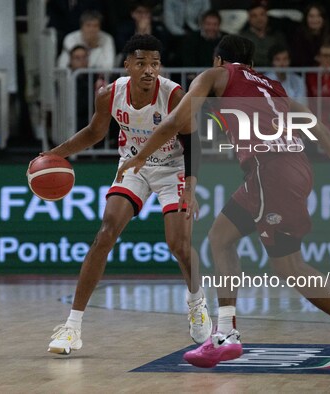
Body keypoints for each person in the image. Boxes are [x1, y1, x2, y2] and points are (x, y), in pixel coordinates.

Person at [117, 35, 330, 368]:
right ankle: (230, 332)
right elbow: (325, 134)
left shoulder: (217, 75)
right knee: (222, 238)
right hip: (294, 168)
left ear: (219, 60)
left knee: (289, 266)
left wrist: (141, 157)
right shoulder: (274, 89)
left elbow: (176, 120)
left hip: (270, 171)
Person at [41, 34, 212, 355]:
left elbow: (193, 141)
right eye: (142, 62)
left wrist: (190, 185)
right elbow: (94, 132)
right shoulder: (109, 94)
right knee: (105, 233)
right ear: (127, 65)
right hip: (134, 165)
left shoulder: (174, 95)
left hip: (174, 167)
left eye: (155, 63)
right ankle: (72, 327)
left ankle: (196, 301)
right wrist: (56, 153)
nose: (149, 69)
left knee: (179, 244)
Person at [290, 2, 330, 67]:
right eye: (311, 16)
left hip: (329, 72)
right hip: (305, 72)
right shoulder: (298, 35)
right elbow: (298, 58)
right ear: (306, 18)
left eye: (319, 16)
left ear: (323, 19)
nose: (315, 20)